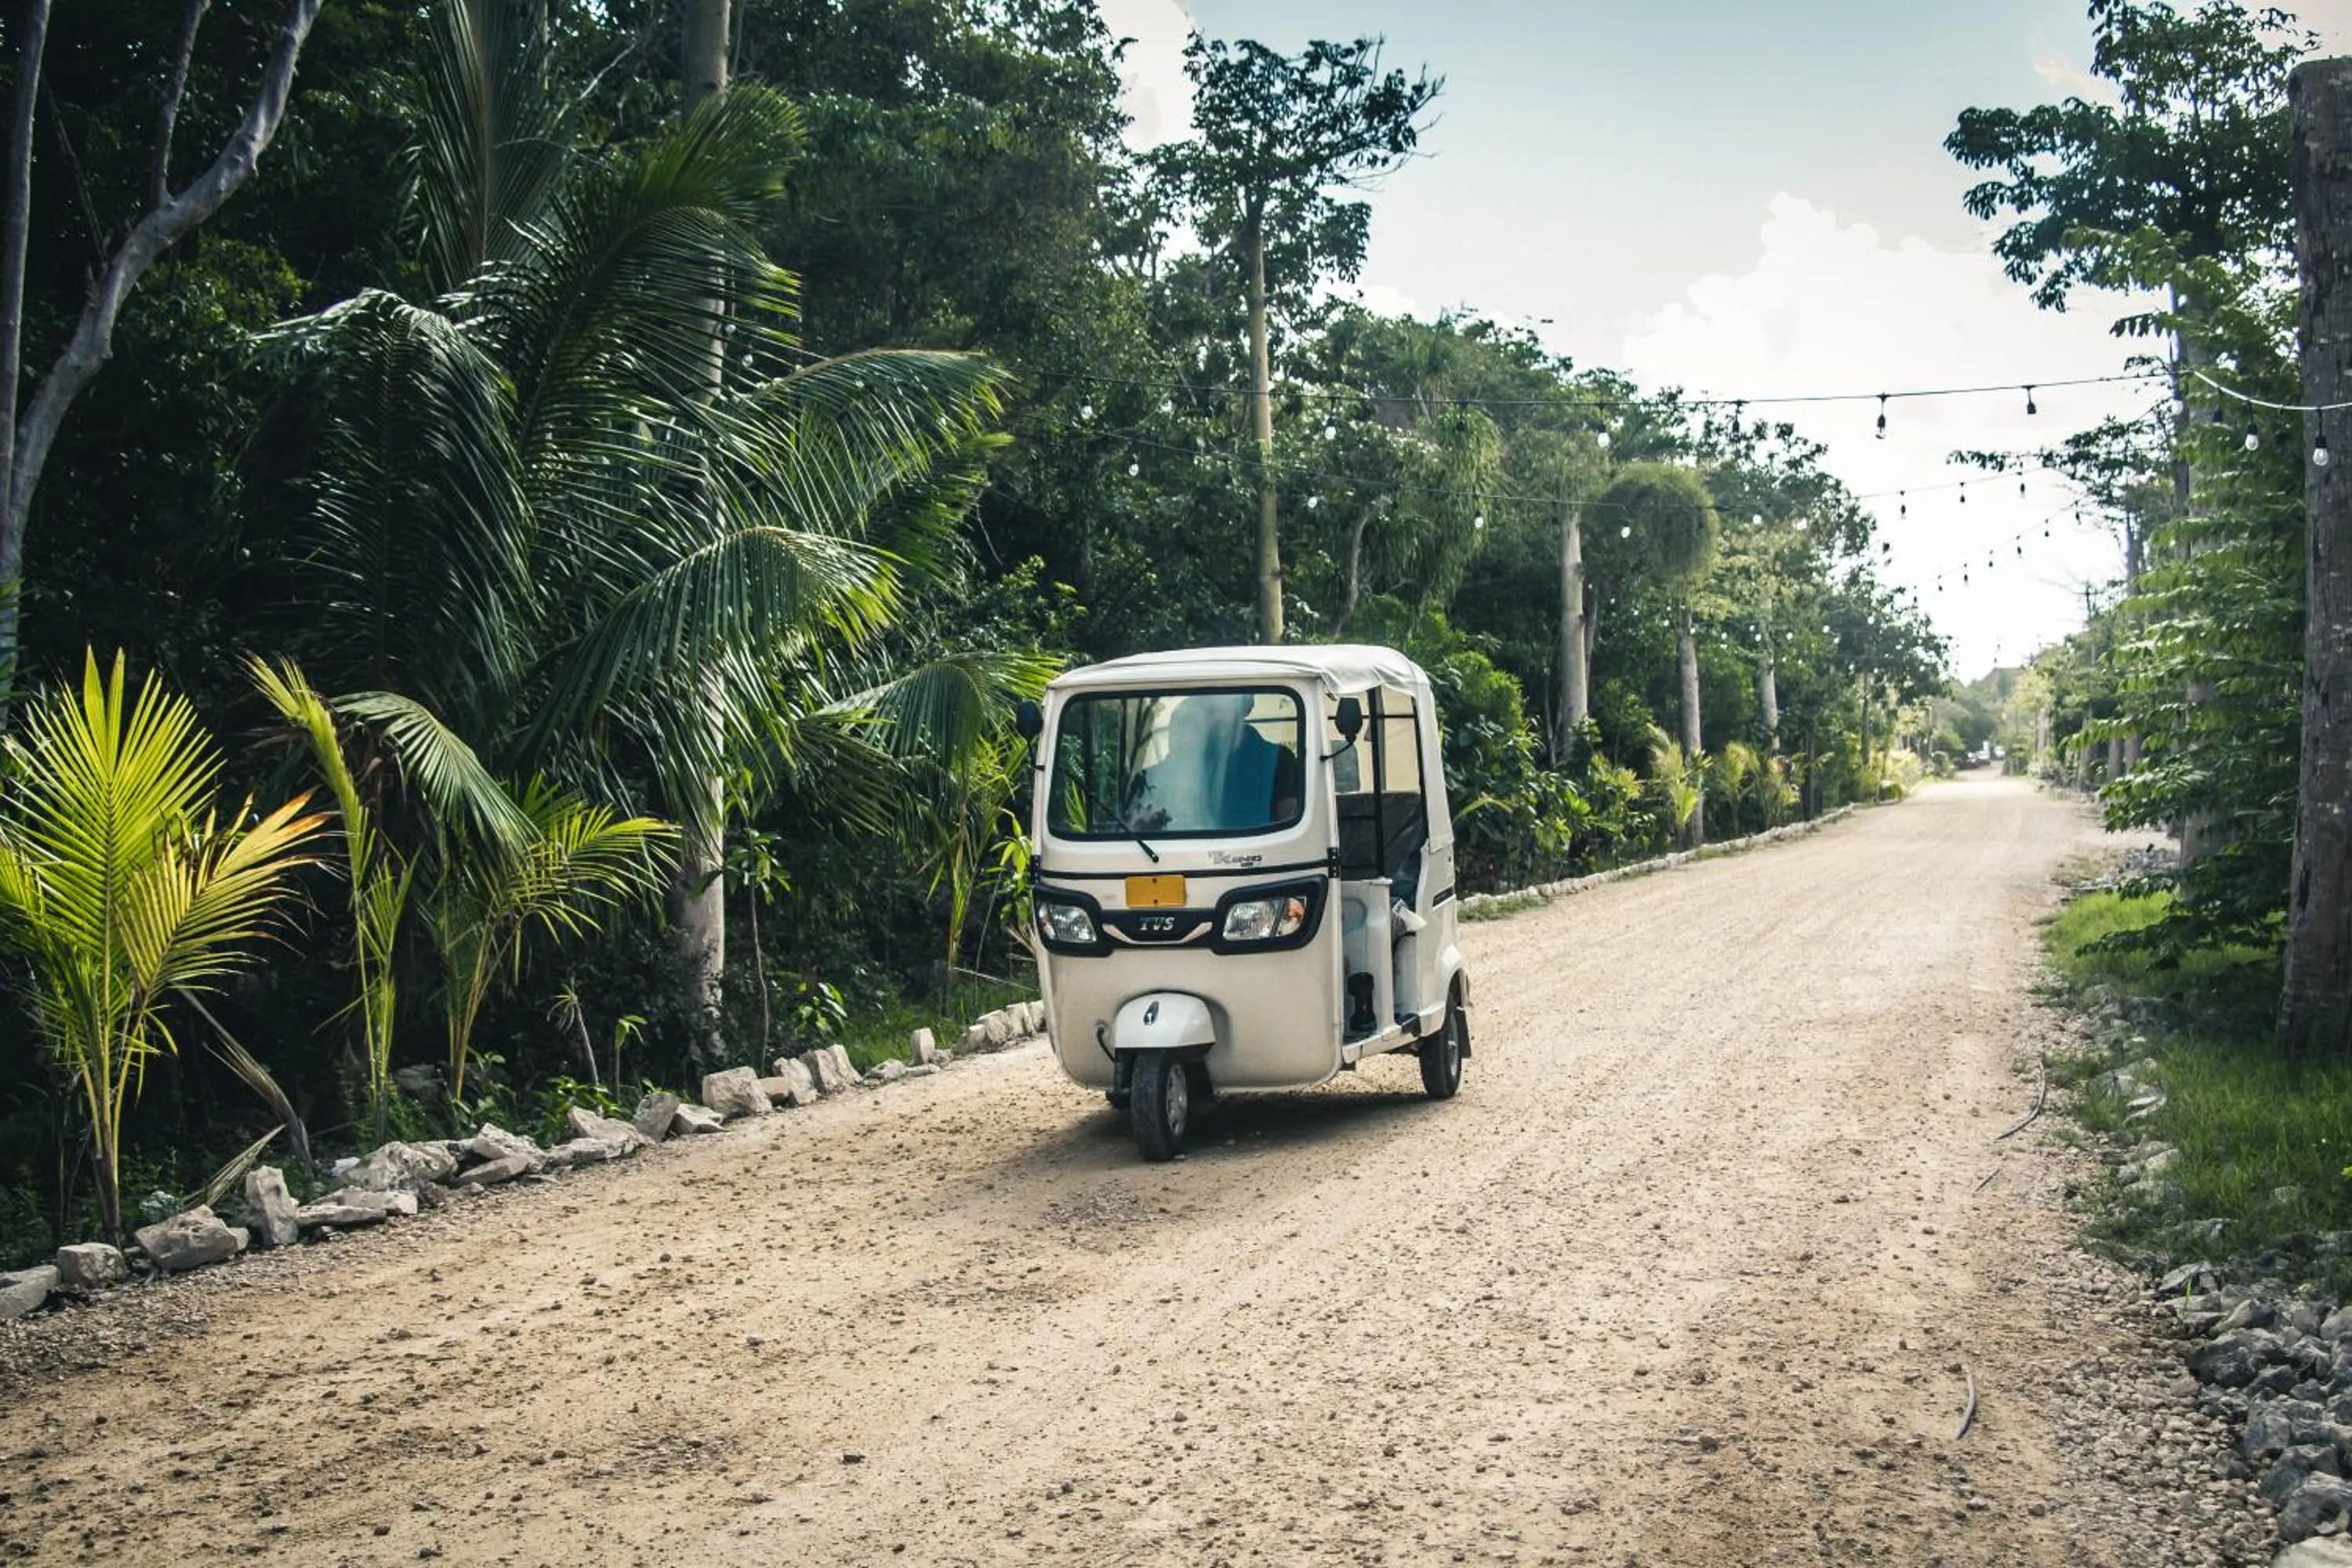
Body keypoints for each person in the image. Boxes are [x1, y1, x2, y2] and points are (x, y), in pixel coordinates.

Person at [1123, 696, 1300, 832]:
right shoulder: (1150, 777)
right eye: (1180, 726)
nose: (1184, 734)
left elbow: (1290, 822)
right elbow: (1132, 827)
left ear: (1242, 712)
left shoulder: (1277, 759)